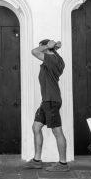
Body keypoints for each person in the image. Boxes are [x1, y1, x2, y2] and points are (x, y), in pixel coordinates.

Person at [23, 39, 69, 172]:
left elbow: (34, 52)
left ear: (47, 48)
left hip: (51, 100)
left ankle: (63, 164)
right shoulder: (55, 59)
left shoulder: (52, 59)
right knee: (36, 127)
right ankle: (37, 161)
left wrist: (47, 47)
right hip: (46, 100)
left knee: (57, 131)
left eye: (42, 48)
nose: (41, 50)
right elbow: (45, 51)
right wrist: (53, 47)